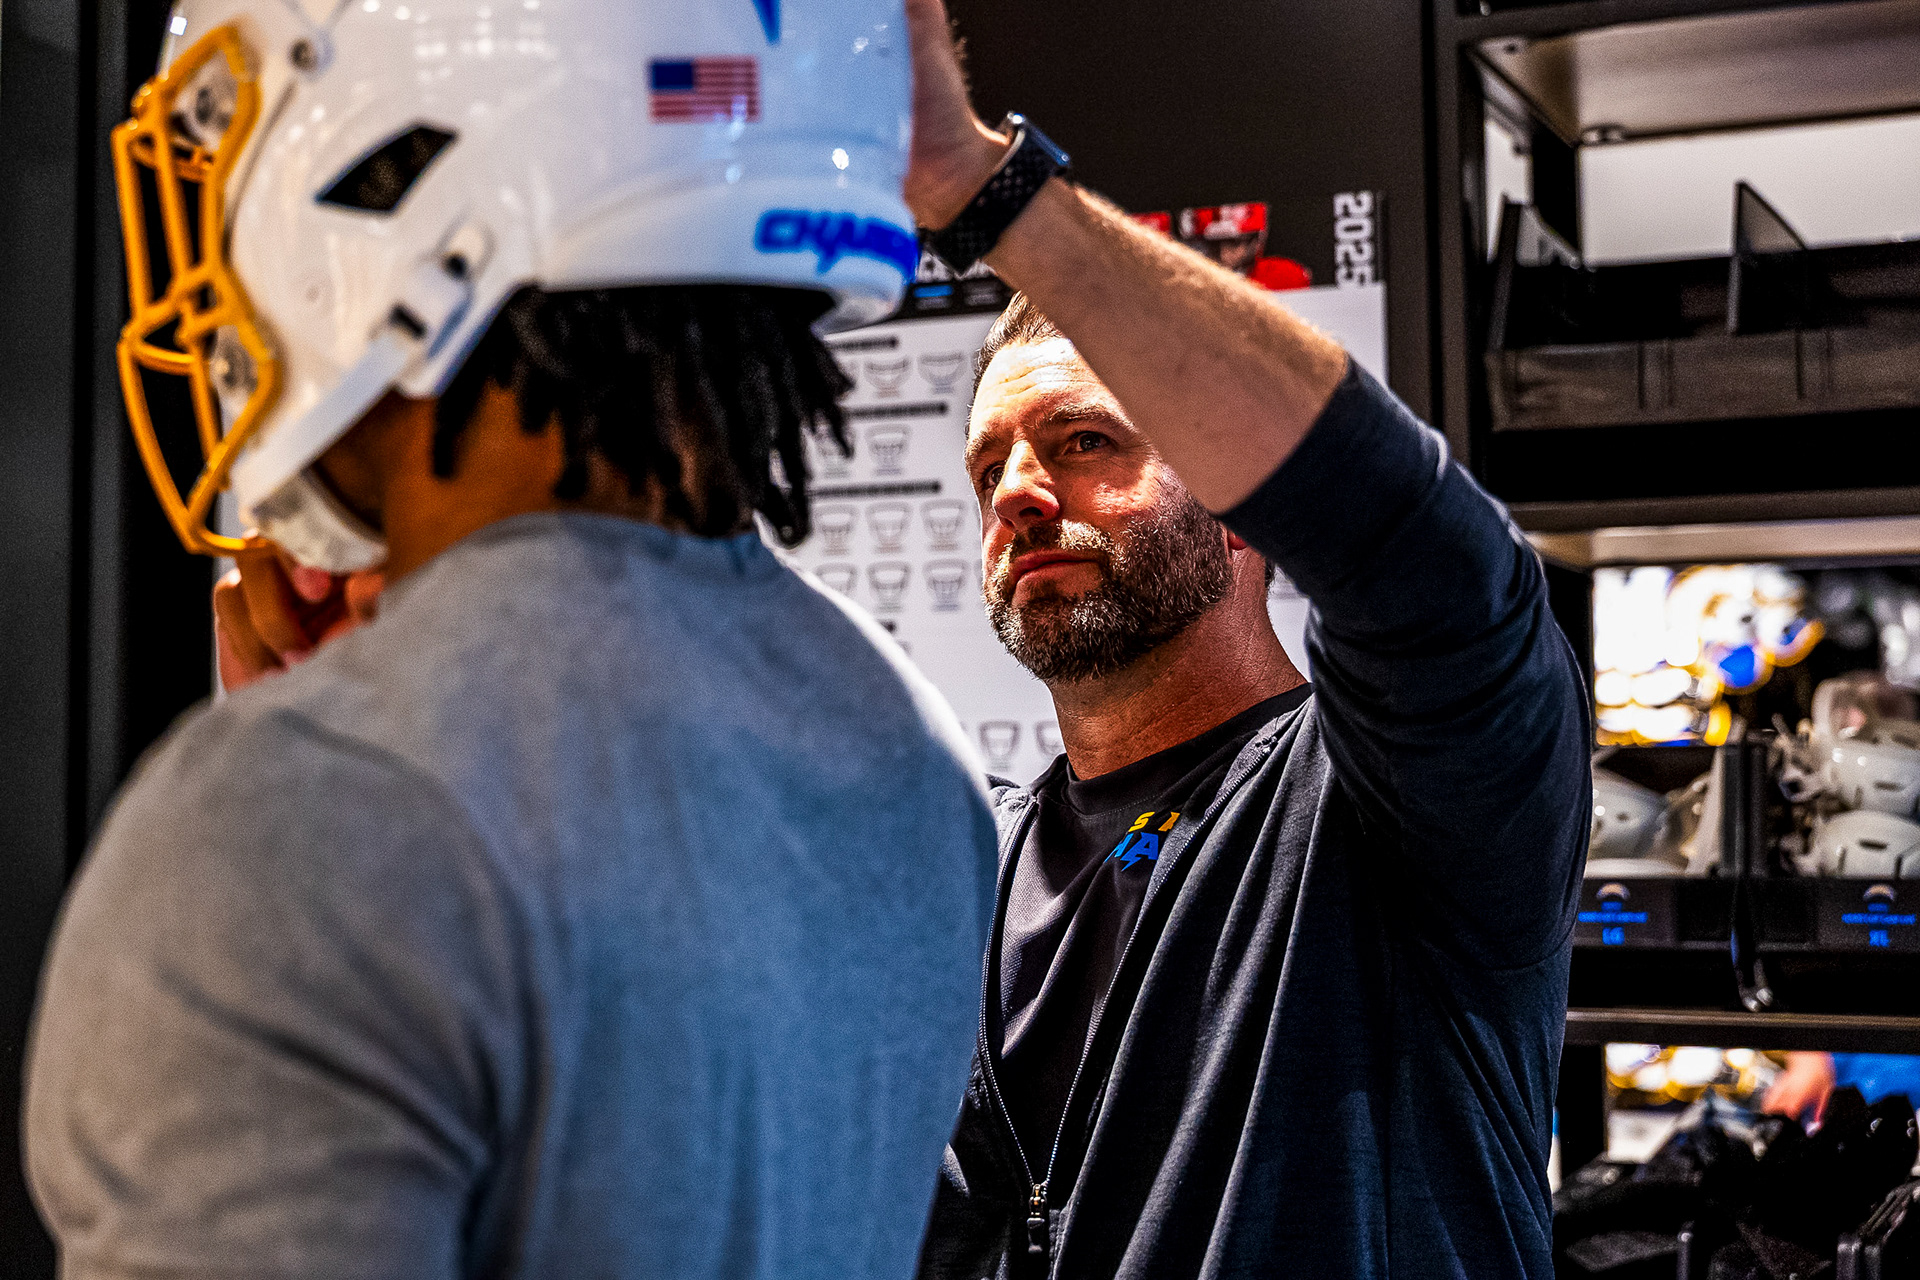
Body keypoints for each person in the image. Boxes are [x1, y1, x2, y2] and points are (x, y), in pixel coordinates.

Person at [25, 2, 996, 1278]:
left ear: (414, 191)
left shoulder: (302, 816)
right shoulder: (916, 755)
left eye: (246, 158)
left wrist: (338, 760)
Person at [899, 2, 1592, 1275]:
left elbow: (1435, 566)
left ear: (1244, 499)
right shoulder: (972, 862)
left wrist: (984, 191)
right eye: (990, 467)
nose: (1020, 494)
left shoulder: (1389, 812)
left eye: (1084, 441)